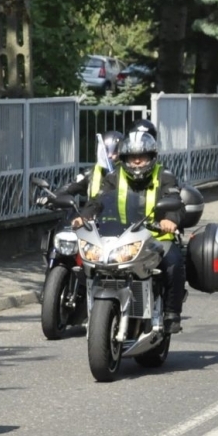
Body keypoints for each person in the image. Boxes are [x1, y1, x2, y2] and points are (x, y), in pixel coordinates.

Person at [75, 128, 187, 333]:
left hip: (157, 237)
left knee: (174, 263)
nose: (137, 162)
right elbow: (98, 201)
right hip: (120, 236)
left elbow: (175, 201)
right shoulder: (114, 176)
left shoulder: (165, 176)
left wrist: (170, 220)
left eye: (142, 157)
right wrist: (84, 217)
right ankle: (83, 309)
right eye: (133, 157)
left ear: (151, 157)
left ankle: (172, 314)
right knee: (86, 262)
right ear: (125, 158)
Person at [55, 129, 124, 203]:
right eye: (107, 150)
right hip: (93, 213)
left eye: (115, 151)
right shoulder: (91, 173)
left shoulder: (129, 174)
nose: (110, 156)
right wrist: (50, 198)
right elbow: (71, 187)